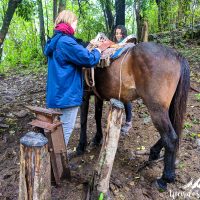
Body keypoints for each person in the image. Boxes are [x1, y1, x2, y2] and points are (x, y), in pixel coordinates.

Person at [44, 10, 109, 149]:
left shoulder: (54, 41)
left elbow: (74, 53)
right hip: (67, 95)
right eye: (75, 23)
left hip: (55, 95)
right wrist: (98, 49)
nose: (76, 26)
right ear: (69, 22)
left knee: (56, 132)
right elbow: (88, 59)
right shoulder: (66, 42)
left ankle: (53, 165)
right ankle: (57, 169)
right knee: (64, 134)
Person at [113, 25, 133, 134]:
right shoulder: (115, 45)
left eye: (120, 33)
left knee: (126, 98)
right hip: (117, 75)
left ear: (124, 34)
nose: (118, 35)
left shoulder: (128, 45)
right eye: (116, 33)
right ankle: (118, 120)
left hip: (127, 74)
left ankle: (129, 121)